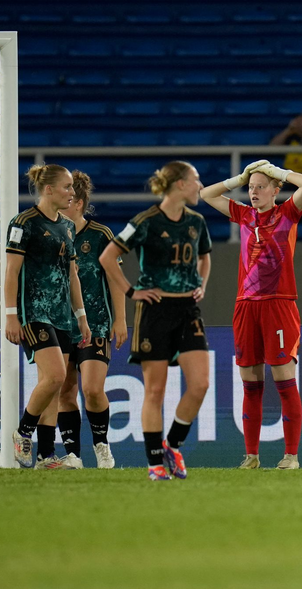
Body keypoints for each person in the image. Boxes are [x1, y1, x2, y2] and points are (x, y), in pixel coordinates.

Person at [99, 161, 212, 481]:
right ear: (179, 184)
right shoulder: (146, 221)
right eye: (196, 180)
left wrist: (202, 284)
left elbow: (205, 257)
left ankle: (172, 446)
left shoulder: (197, 222)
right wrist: (132, 291)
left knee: (201, 384)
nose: (200, 186)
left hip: (188, 310)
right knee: (155, 391)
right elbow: (108, 257)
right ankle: (154, 464)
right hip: (155, 310)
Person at [200, 159, 302, 470]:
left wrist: (278, 172)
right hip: (246, 304)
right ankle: (251, 456)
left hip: (279, 303)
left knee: (283, 378)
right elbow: (206, 195)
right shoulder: (245, 215)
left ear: (276, 190)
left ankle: (291, 456)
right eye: (251, 188)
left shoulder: (287, 213)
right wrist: (238, 178)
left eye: (261, 187)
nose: (254, 192)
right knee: (250, 380)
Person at [8, 164, 91, 469]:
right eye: (67, 187)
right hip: (34, 312)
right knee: (56, 375)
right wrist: (11, 315)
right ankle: (22, 433)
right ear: (49, 190)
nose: (73, 192)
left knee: (53, 384)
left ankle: (46, 456)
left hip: (62, 315)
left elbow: (72, 276)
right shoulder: (24, 223)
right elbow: (12, 272)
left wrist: (81, 315)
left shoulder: (68, 227)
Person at [52, 170, 126, 469]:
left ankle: (102, 446)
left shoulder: (100, 236)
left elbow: (116, 281)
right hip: (60, 325)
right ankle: (72, 455)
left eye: (67, 200)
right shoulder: (50, 235)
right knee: (64, 389)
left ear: (79, 203)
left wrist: (120, 321)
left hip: (95, 324)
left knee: (92, 389)